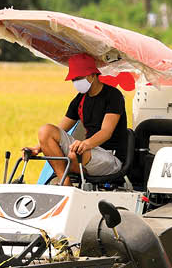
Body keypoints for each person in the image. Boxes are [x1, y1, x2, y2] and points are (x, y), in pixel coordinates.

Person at [30, 53, 127, 186]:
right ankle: (65, 182)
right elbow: (59, 130)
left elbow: (106, 131)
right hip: (87, 152)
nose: (76, 82)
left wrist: (86, 144)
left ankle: (64, 179)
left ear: (93, 75)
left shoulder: (113, 96)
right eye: (74, 79)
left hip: (110, 156)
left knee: (75, 154)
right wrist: (37, 148)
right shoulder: (80, 99)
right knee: (45, 131)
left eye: (79, 78)